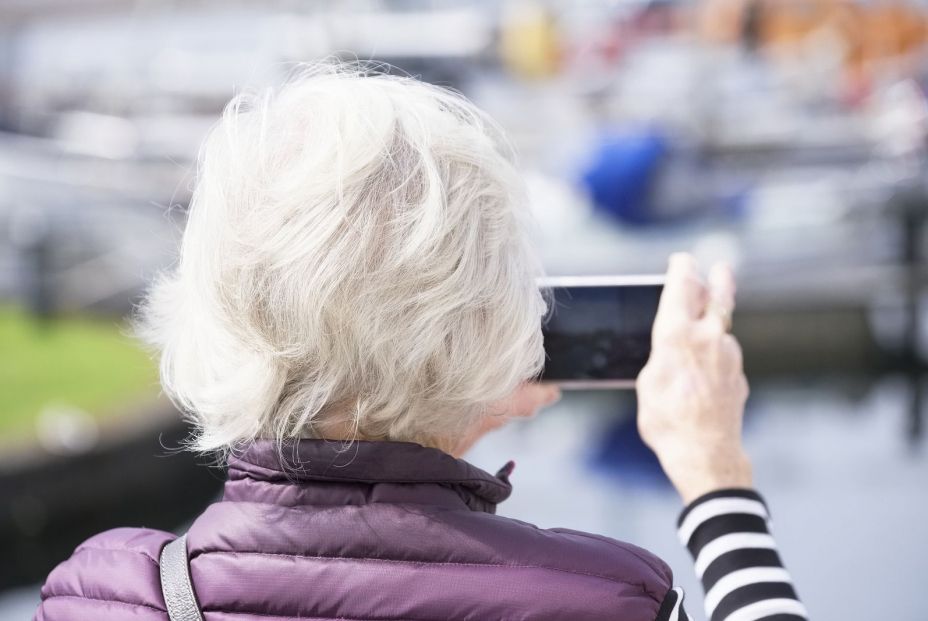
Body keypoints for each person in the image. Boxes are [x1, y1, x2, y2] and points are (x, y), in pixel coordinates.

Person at [35, 64, 805, 621]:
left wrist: (450, 396)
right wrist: (718, 482)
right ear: (487, 320)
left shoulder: (101, 595)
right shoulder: (607, 599)